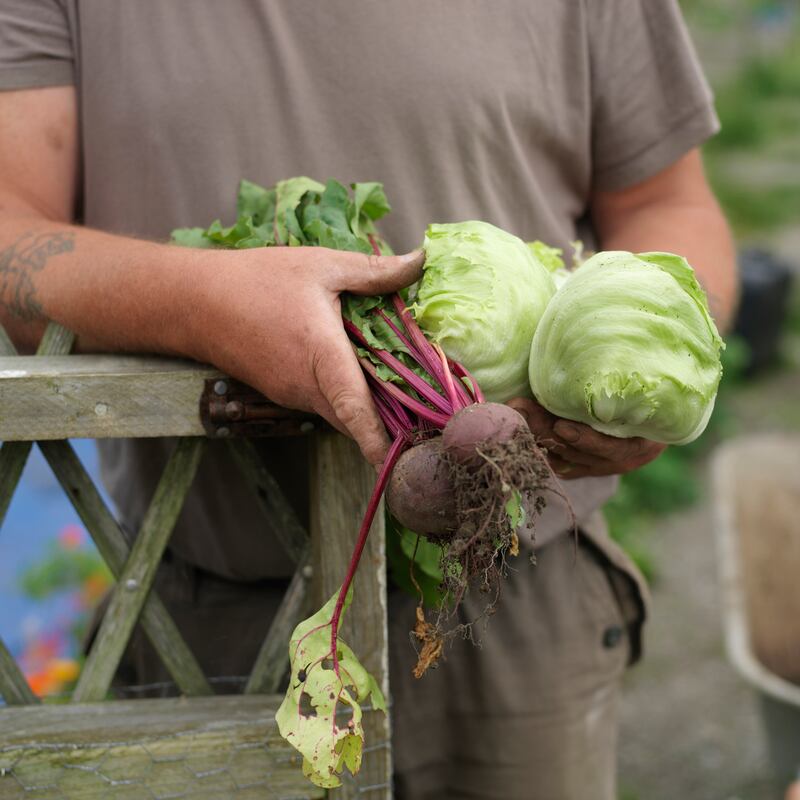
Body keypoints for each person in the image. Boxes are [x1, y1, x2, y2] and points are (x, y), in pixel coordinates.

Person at [0, 2, 737, 798]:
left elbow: (668, 203)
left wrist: (648, 367)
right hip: (212, 605)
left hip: (518, 595)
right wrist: (206, 303)